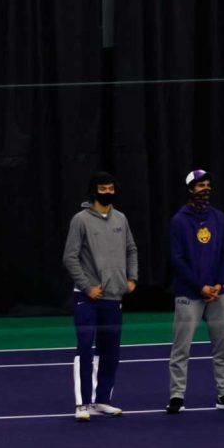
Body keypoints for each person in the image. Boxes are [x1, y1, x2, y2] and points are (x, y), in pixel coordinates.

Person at [62, 172, 138, 422]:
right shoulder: (80, 220)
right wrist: (86, 286)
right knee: (85, 348)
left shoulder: (121, 219)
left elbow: (131, 249)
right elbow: (70, 257)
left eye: (111, 188)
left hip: (114, 297)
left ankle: (102, 400)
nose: (108, 192)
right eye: (103, 188)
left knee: (111, 351)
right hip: (87, 298)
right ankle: (83, 403)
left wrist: (132, 278)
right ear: (93, 191)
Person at [165, 169, 224, 415]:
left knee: (222, 346)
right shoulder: (179, 220)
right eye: (200, 186)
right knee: (181, 348)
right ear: (190, 190)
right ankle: (177, 395)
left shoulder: (218, 217)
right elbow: (177, 259)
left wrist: (218, 283)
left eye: (208, 185)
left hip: (219, 294)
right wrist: (200, 286)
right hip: (189, 294)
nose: (205, 190)